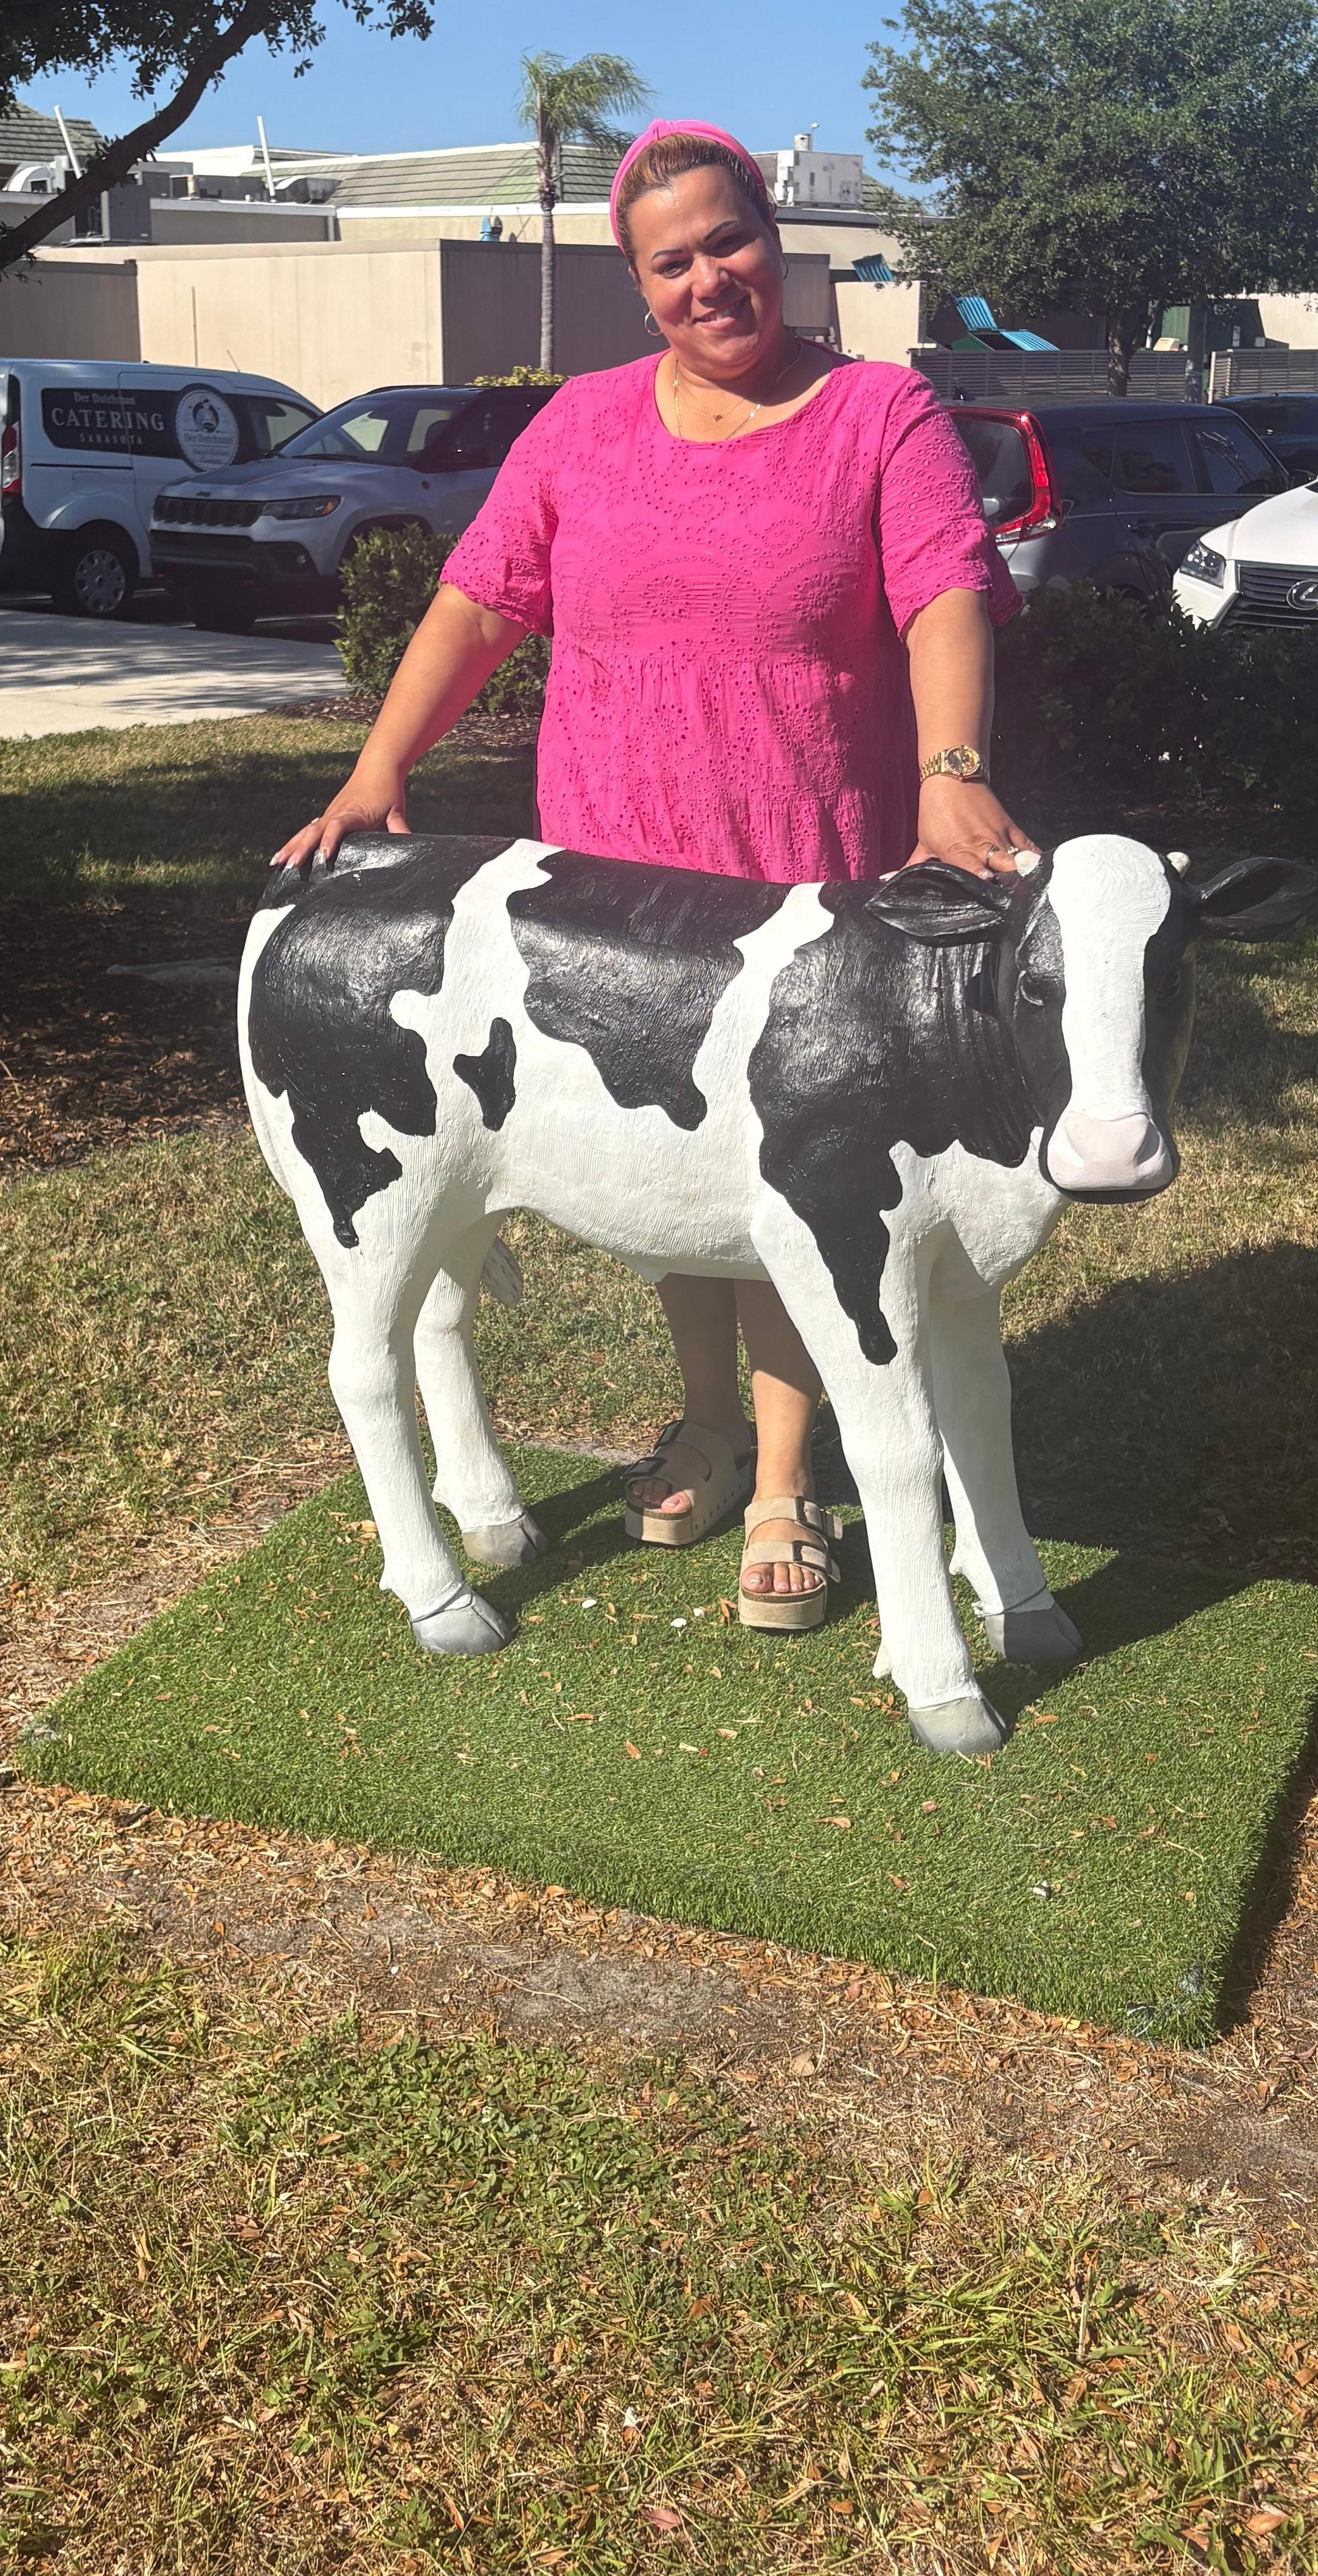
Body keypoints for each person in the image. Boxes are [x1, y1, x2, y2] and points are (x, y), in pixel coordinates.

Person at [273, 120, 1033, 1636]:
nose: (710, 281)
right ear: (639, 286)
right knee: (673, 1178)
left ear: (777, 237)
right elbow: (481, 603)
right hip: (611, 895)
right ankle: (707, 1420)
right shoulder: (581, 430)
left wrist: (953, 775)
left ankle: (781, 1481)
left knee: (804, 1200)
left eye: (729, 243)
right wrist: (379, 769)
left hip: (804, 883)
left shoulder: (878, 415)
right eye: (671, 262)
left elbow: (947, 596)